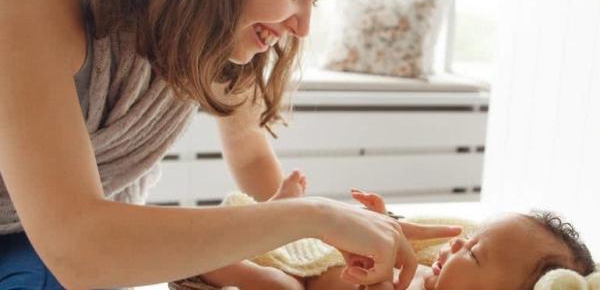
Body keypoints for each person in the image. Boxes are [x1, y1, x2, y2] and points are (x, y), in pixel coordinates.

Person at [0, 0, 462, 289]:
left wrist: (313, 252)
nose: (302, 28)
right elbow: (79, 250)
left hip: (61, 249)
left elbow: (249, 151)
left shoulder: (215, 36)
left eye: (315, 1)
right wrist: (313, 217)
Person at [198, 171, 596, 290]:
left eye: (473, 253)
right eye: (470, 239)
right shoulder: (430, 278)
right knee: (289, 241)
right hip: (325, 257)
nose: (457, 242)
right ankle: (278, 215)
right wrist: (384, 221)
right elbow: (398, 245)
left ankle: (220, 262)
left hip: (303, 286)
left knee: (275, 285)